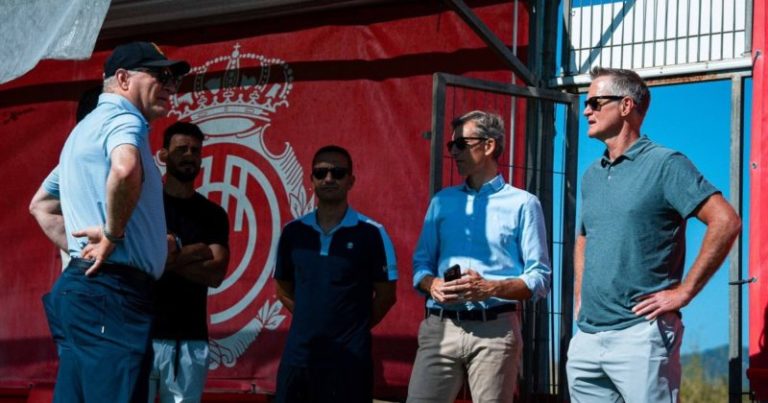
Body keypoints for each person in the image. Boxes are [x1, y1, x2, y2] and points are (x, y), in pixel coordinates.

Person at [566, 67, 741, 403]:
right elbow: (585, 236)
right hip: (587, 337)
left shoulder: (666, 164)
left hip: (640, 335)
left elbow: (726, 220)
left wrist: (684, 292)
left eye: (595, 102)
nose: (586, 110)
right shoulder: (591, 175)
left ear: (626, 106)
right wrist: (579, 297)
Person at [30, 41, 190, 403]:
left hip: (85, 293)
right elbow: (125, 168)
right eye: (160, 75)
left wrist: (85, 249)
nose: (169, 86)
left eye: (173, 79)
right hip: (112, 295)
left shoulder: (82, 133)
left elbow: (40, 205)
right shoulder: (124, 119)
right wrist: (112, 238)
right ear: (122, 78)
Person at [407, 110, 552, 403]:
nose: (454, 152)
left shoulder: (524, 203)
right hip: (440, 328)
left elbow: (539, 278)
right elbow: (420, 265)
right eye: (452, 145)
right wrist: (432, 284)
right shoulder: (441, 201)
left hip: (495, 331)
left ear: (488, 146)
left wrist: (491, 288)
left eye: (461, 144)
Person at [273, 145, 398, 403]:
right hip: (299, 359)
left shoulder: (373, 233)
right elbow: (282, 289)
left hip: (350, 362)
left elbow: (386, 297)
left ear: (351, 180)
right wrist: (313, 319)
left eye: (338, 173)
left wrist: (350, 327)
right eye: (321, 173)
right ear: (311, 181)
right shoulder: (292, 232)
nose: (329, 179)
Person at [148, 122, 230, 402]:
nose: (189, 155)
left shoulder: (213, 214)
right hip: (143, 335)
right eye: (181, 149)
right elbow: (142, 266)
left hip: (190, 339)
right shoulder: (145, 206)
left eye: (195, 150)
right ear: (162, 155)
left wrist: (169, 257)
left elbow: (216, 273)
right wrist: (197, 250)